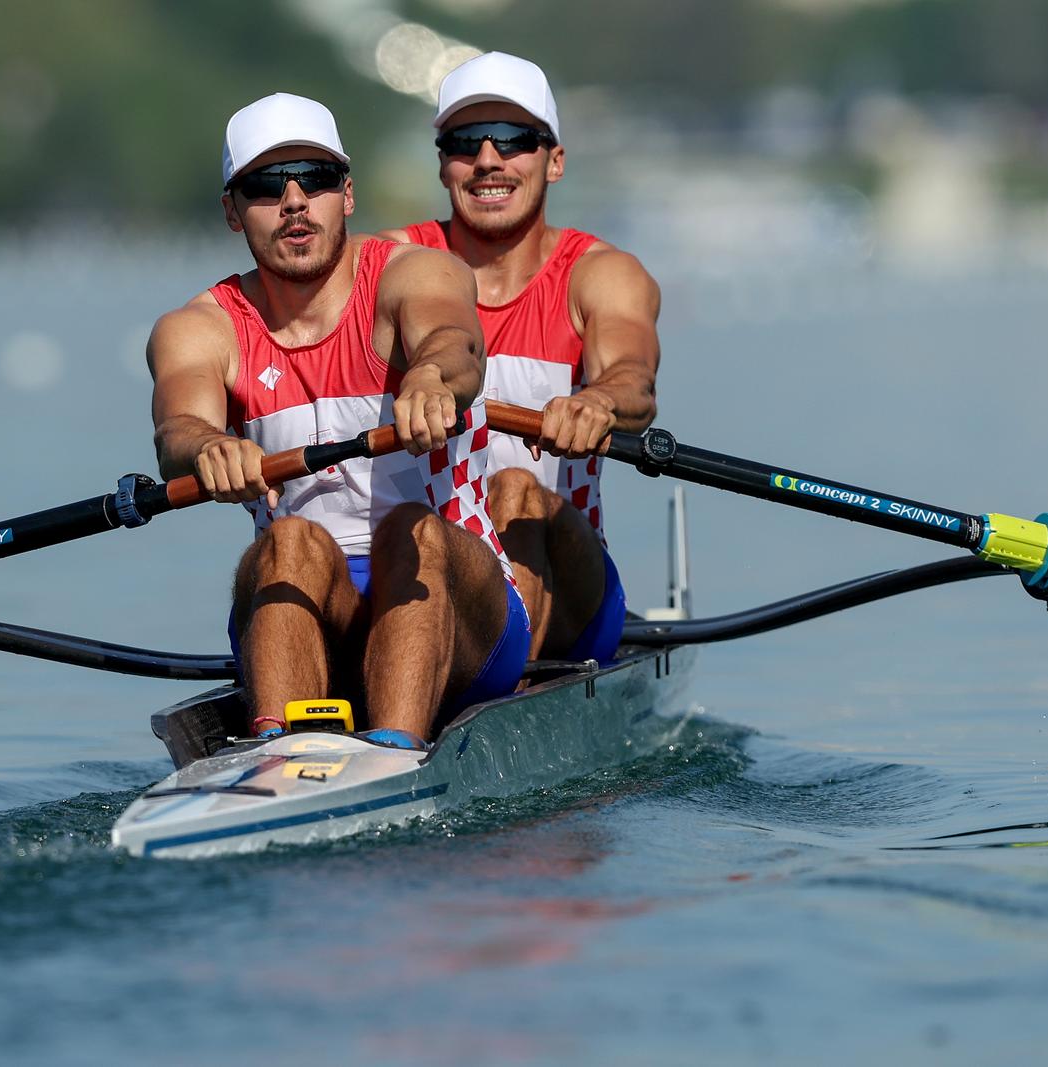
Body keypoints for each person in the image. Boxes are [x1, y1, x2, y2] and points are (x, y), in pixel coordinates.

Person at [147, 92, 531, 748]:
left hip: (464, 614)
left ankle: (396, 752)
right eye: (267, 186)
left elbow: (454, 341)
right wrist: (210, 445)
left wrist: (431, 377)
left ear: (346, 196)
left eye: (316, 179)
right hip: (309, 605)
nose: (295, 200)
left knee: (411, 530)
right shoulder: (199, 328)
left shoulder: (414, 273)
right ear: (232, 213)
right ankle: (279, 756)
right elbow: (177, 430)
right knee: (290, 539)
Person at [380, 52, 662, 666]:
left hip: (570, 590)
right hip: (434, 579)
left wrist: (597, 401)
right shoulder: (389, 265)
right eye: (464, 143)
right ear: (443, 165)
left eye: (514, 141)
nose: (488, 161)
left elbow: (634, 381)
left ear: (554, 161)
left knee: (515, 489)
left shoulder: (599, 275)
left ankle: (500, 682)